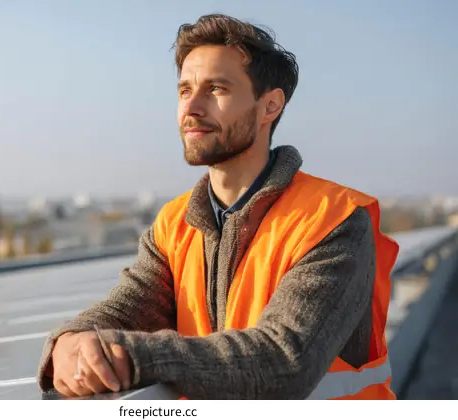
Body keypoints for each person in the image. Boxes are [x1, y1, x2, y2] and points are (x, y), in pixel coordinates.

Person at [36, 13, 400, 400]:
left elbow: (283, 361)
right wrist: (70, 341)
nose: (191, 107)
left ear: (269, 106)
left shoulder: (335, 220)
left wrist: (132, 355)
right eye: (184, 90)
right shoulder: (174, 224)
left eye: (216, 89)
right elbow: (130, 307)